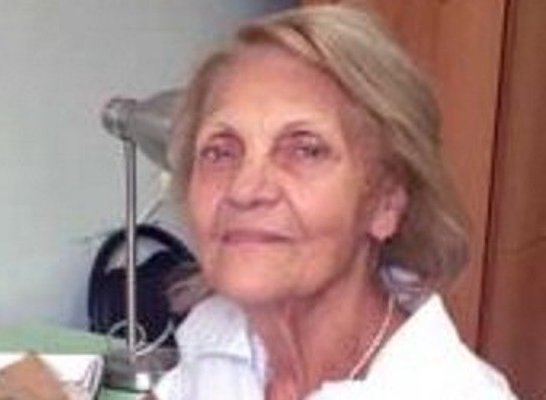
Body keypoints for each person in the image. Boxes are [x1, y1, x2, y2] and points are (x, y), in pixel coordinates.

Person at [152, 3, 517, 399]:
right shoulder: (218, 340)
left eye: (305, 150)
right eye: (220, 152)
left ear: (386, 202)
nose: (244, 190)